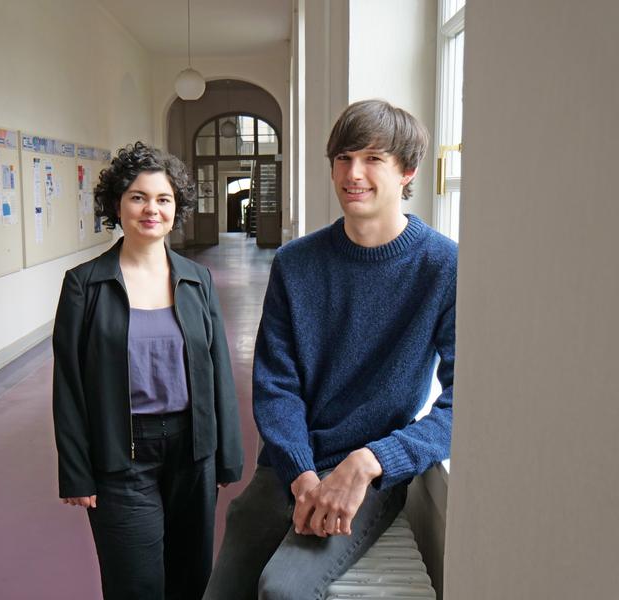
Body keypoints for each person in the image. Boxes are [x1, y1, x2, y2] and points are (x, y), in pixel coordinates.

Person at [203, 99, 457, 600]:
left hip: (368, 475)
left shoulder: (442, 266)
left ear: (408, 171)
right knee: (224, 592)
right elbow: (276, 384)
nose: (353, 173)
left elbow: (463, 402)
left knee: (283, 590)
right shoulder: (296, 262)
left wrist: (371, 460)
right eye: (343, 158)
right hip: (287, 466)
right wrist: (300, 473)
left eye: (372, 159)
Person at [52, 142, 243, 599]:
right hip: (121, 453)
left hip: (191, 451)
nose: (151, 209)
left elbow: (218, 370)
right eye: (138, 197)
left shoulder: (198, 279)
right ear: (117, 204)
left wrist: (225, 454)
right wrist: (77, 472)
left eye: (163, 199)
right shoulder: (85, 285)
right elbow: (70, 385)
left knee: (190, 579)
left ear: (177, 207)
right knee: (134, 584)